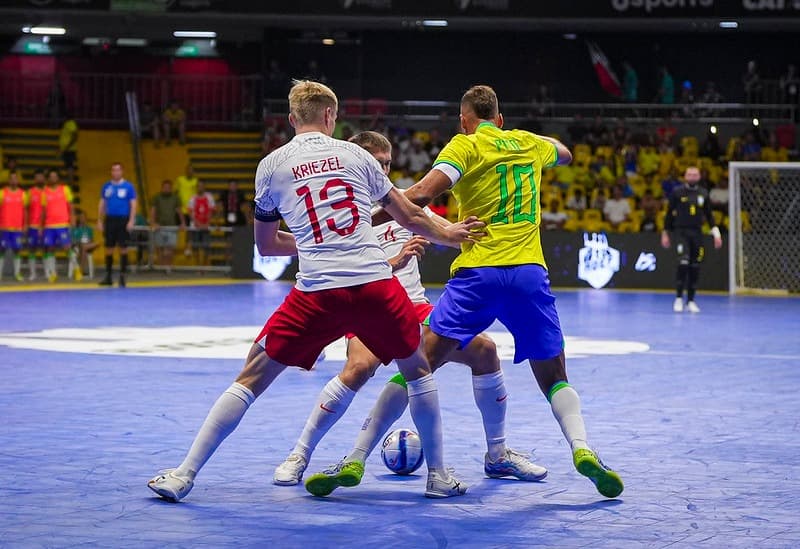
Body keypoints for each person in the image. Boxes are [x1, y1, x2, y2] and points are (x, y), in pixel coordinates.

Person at [147, 80, 483, 503]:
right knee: (417, 371)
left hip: (318, 291)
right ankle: (438, 477)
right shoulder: (357, 156)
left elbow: (267, 246)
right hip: (374, 284)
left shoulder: (271, 165)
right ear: (330, 116)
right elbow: (410, 216)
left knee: (252, 375)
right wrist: (450, 235)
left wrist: (311, 242)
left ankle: (183, 474)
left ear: (291, 119)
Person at [378, 84, 624, 499]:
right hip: (528, 274)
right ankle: (582, 447)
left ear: (464, 121)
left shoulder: (466, 145)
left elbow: (419, 195)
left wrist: (364, 218)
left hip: (478, 273)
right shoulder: (529, 144)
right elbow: (565, 153)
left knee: (419, 364)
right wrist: (524, 138)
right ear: (501, 118)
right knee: (554, 376)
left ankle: (356, 454)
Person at [277, 131, 545, 495]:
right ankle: (299, 455)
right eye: (377, 162)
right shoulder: (339, 212)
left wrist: (468, 232)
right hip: (369, 306)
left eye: (387, 163)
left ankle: (497, 456)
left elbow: (444, 230)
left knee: (485, 351)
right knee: (358, 368)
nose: (383, 169)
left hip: (415, 308)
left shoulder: (403, 201)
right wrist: (394, 261)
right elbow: (331, 271)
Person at [661, 166, 723, 313]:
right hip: (681, 232)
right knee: (683, 262)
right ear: (685, 176)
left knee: (695, 266)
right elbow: (669, 214)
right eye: (689, 174)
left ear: (699, 177)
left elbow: (709, 215)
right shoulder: (677, 192)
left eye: (695, 175)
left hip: (697, 233)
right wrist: (665, 233)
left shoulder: (703, 193)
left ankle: (691, 300)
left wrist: (717, 234)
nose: (692, 177)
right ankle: (678, 298)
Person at [97, 162, 137, 287]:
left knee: (123, 247)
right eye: (113, 170)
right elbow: (102, 203)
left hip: (123, 219)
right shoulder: (106, 186)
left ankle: (123, 276)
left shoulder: (128, 186)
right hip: (110, 219)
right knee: (109, 248)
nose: (116, 172)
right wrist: (99, 220)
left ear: (122, 171)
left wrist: (131, 220)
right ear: (111, 172)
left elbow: (133, 204)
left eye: (118, 170)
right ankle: (108, 276)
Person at [41, 169, 75, 283]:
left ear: (58, 178)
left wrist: (72, 219)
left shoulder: (65, 189)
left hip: (63, 224)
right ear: (49, 179)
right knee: (50, 248)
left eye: (55, 176)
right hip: (49, 225)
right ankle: (53, 274)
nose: (53, 178)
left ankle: (76, 269)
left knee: (67, 247)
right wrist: (41, 225)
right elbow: (43, 211)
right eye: (51, 176)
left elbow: (71, 206)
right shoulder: (45, 192)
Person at [149, 179, 184, 273]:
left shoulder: (176, 198)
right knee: (160, 248)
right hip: (159, 227)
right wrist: (153, 223)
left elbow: (179, 211)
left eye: (168, 187)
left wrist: (183, 222)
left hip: (172, 227)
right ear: (162, 188)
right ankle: (161, 267)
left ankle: (168, 267)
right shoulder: (156, 197)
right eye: (165, 187)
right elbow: (153, 210)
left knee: (170, 248)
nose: (166, 189)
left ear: (171, 188)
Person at [0, 171, 28, 281]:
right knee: (1, 250)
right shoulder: (2, 193)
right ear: (8, 180)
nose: (13, 180)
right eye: (11, 178)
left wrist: (25, 224)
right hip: (4, 227)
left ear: (18, 180)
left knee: (17, 250)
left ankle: (17, 274)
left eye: (15, 178)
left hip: (17, 228)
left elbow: (25, 211)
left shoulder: (23, 194)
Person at [187, 181, 216, 267]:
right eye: (198, 186)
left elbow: (211, 211)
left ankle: (204, 266)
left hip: (206, 227)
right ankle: (198, 266)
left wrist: (207, 223)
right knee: (195, 247)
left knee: (206, 247)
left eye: (202, 186)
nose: (200, 188)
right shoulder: (192, 198)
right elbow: (190, 213)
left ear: (204, 187)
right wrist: (197, 223)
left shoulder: (209, 197)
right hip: (196, 227)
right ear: (196, 188)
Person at [25, 170, 46, 280]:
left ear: (44, 178)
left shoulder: (48, 191)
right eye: (37, 177)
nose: (39, 179)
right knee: (32, 249)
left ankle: (48, 273)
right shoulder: (30, 192)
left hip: (47, 226)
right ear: (34, 179)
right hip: (33, 225)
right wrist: (26, 224)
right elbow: (26, 209)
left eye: (41, 177)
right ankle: (33, 273)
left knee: (46, 249)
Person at [70, 209, 97, 280]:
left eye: (84, 217)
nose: (83, 219)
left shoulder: (89, 229)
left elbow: (91, 240)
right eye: (81, 218)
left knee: (94, 243)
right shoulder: (75, 228)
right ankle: (81, 270)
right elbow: (73, 241)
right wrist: (79, 242)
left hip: (88, 246)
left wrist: (89, 242)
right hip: (78, 247)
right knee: (83, 246)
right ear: (79, 219)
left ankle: (80, 271)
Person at [58, 114, 78, 185]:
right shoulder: (67, 124)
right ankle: (69, 179)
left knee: (70, 165)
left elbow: (74, 135)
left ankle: (70, 180)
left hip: (69, 149)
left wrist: (68, 146)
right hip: (66, 149)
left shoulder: (71, 123)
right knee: (67, 165)